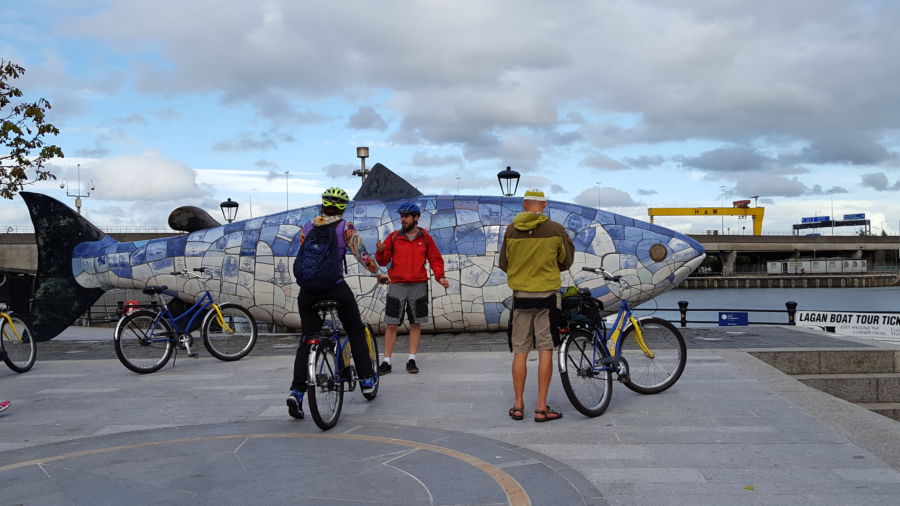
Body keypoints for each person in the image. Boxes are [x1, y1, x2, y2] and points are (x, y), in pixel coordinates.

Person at [286, 187, 389, 420]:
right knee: (355, 329)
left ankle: (297, 392)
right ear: (343, 207)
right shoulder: (345, 227)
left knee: (308, 339)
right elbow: (363, 255)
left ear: (323, 204)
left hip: (308, 292)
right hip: (335, 287)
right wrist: (379, 274)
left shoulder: (308, 226)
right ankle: (366, 381)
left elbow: (303, 256)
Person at [499, 188, 574, 423]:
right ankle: (541, 408)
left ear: (524, 205)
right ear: (543, 206)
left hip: (521, 297)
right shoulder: (555, 229)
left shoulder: (511, 230)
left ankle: (518, 405)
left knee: (520, 351)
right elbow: (566, 260)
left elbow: (504, 263)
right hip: (547, 298)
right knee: (545, 350)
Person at [375, 202, 449, 374]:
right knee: (391, 324)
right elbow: (383, 261)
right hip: (397, 286)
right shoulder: (394, 237)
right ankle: (387, 361)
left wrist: (440, 277)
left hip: (418, 285)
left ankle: (411, 359)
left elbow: (436, 259)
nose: (403, 219)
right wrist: (380, 251)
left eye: (407, 216)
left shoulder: (425, 238)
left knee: (416, 323)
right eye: (402, 216)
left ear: (416, 218)